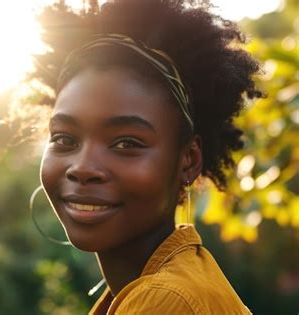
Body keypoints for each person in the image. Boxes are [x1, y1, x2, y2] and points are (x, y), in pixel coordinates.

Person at [28, 0, 263, 313]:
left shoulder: (168, 301)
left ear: (188, 160)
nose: (82, 168)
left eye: (126, 143)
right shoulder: (153, 289)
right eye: (64, 138)